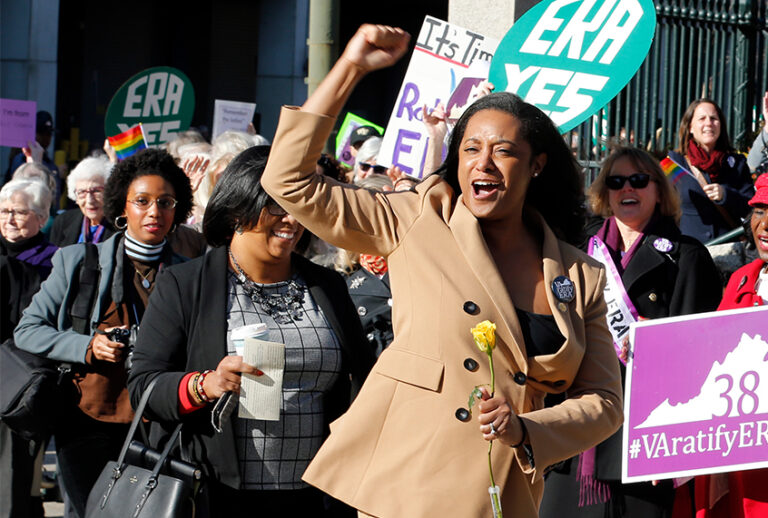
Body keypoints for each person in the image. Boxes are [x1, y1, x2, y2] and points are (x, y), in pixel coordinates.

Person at [261, 24, 623, 518]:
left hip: (501, 495)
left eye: (504, 150)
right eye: (471, 149)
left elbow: (603, 400)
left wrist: (528, 430)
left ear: (536, 165)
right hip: (407, 487)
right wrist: (350, 68)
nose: (485, 164)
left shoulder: (579, 276)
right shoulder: (414, 218)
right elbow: (288, 180)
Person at [127, 146, 374, 517]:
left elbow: (364, 380)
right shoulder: (186, 285)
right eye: (277, 205)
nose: (291, 219)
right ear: (239, 207)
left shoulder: (328, 286)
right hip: (218, 492)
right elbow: (143, 386)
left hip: (316, 496)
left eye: (300, 205)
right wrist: (206, 384)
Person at [539, 147, 722, 518]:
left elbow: (699, 363)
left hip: (641, 438)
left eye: (639, 180)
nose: (628, 188)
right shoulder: (574, 249)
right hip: (574, 430)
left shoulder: (687, 257)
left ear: (659, 191)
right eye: (616, 181)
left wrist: (663, 342)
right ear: (604, 192)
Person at [14, 148, 192, 518]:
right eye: (142, 201)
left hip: (158, 424)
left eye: (165, 202)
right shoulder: (78, 261)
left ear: (178, 210)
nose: (154, 212)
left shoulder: (191, 273)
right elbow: (28, 331)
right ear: (122, 207)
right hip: (87, 420)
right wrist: (88, 346)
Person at [688, 174, 768, 518]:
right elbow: (714, 352)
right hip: (737, 447)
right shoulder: (741, 279)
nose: (765, 225)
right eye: (759, 212)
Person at [0, 179, 57, 518]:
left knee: (18, 478)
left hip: (24, 387)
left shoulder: (55, 262)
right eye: (4, 211)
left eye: (20, 212)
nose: (10, 218)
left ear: (42, 216)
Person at [673, 99, 753, 243]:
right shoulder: (675, 163)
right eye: (702, 119)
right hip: (689, 253)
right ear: (690, 127)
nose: (709, 123)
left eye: (714, 118)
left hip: (728, 251)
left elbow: (752, 210)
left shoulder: (736, 163)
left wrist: (726, 195)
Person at [50, 155, 114, 247]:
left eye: (96, 191)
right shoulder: (63, 222)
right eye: (82, 192)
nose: (89, 200)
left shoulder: (122, 227)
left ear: (109, 192)